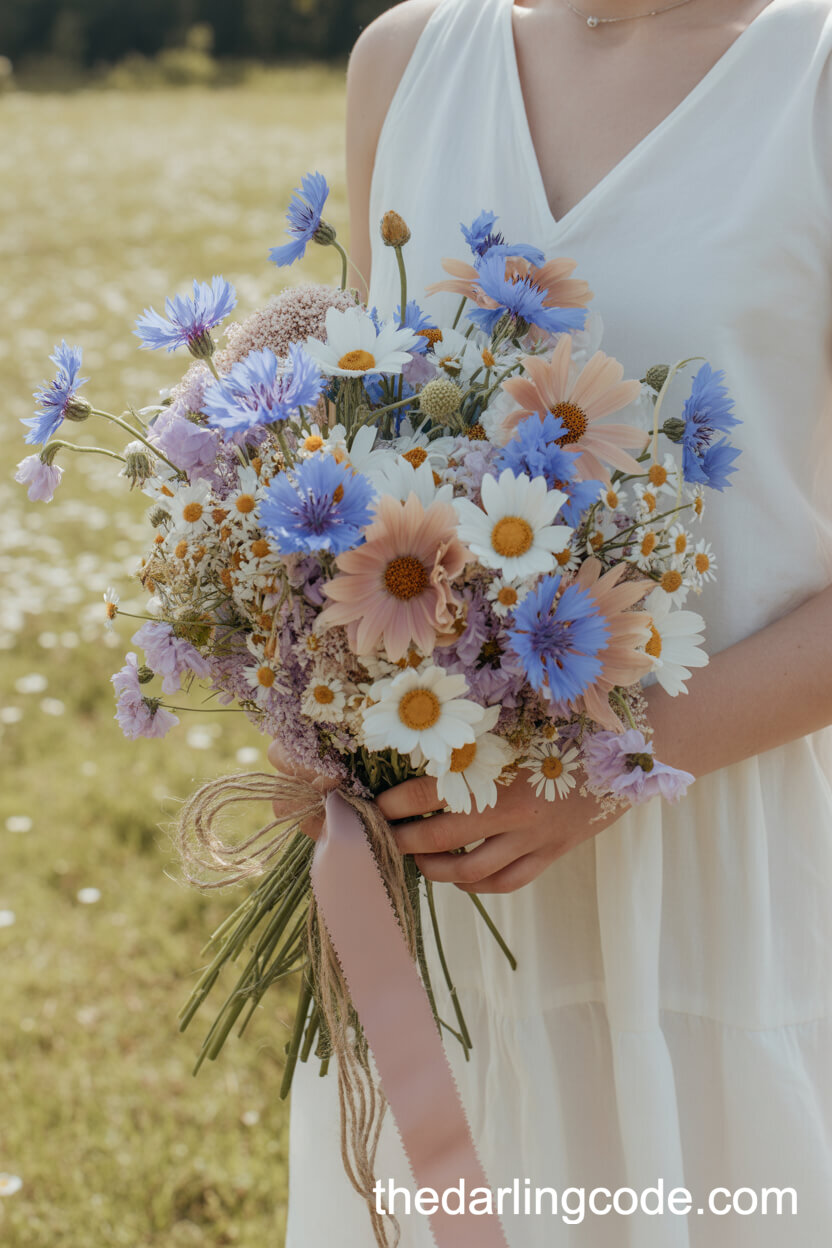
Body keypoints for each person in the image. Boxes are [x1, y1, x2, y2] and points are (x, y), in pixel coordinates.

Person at [274, 1, 832, 1243]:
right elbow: (362, 450)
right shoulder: (407, 61)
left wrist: (609, 767)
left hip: (707, 877)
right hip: (440, 882)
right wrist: (314, 679)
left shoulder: (812, 79)